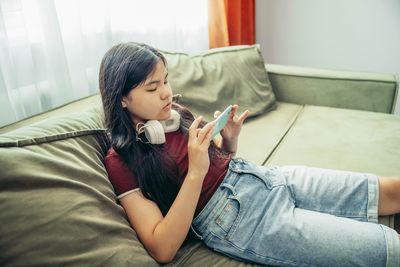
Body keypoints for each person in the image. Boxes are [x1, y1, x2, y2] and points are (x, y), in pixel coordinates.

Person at [99, 42, 400, 267]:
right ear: (122, 98)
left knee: (391, 190)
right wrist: (196, 171)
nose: (166, 93)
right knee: (388, 248)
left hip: (266, 177)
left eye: (166, 80)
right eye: (153, 88)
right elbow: (161, 247)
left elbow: (218, 161)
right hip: (241, 219)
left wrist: (229, 141)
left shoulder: (174, 114)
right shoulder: (121, 159)